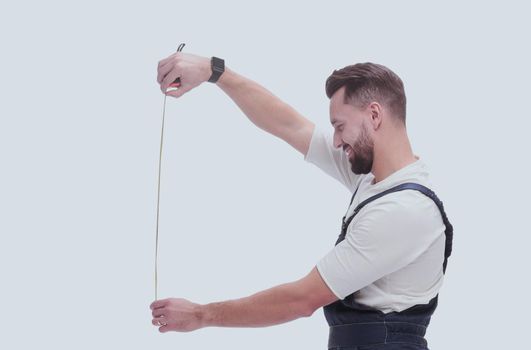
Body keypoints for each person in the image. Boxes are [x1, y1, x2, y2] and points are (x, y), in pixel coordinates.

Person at [150, 51, 453, 350]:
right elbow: (288, 125)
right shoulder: (373, 181)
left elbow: (301, 300)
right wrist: (216, 72)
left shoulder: (403, 212)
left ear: (374, 115)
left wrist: (201, 315)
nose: (335, 141)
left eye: (339, 126)